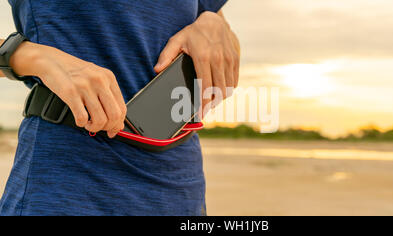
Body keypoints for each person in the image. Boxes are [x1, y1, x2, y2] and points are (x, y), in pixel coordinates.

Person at [0, 0, 240, 216]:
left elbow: (224, 40)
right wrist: (29, 56)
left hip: (181, 184)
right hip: (71, 180)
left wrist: (216, 26)